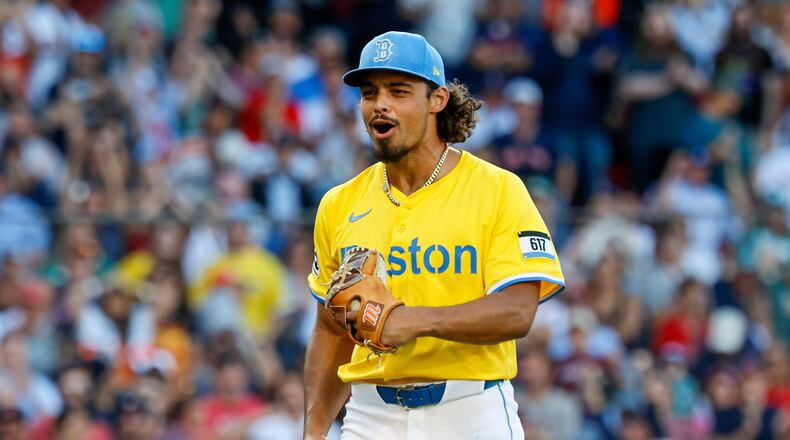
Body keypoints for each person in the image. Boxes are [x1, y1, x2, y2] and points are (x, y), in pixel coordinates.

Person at [303, 31, 565, 439]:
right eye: (369, 93)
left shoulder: (497, 188)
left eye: (399, 90)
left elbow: (518, 310)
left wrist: (414, 322)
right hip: (370, 413)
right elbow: (329, 328)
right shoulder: (339, 204)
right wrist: (314, 430)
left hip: (471, 410)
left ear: (437, 100)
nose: (380, 104)